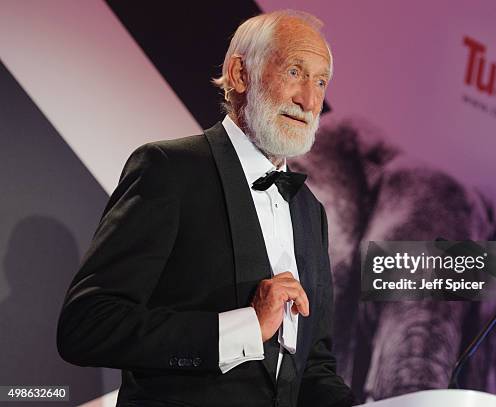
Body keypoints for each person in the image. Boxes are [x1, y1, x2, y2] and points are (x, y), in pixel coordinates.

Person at [56, 10, 353, 407]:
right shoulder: (169, 169)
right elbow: (88, 325)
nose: (310, 100)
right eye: (295, 73)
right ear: (239, 74)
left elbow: (312, 365)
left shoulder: (309, 209)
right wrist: (246, 326)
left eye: (320, 82)